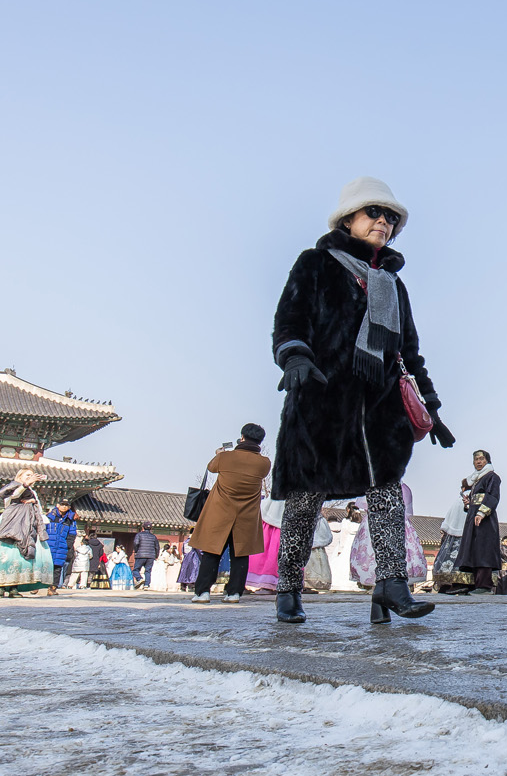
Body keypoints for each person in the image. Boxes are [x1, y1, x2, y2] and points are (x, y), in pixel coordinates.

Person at [269, 176, 453, 625]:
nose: (383, 222)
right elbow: (290, 319)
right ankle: (288, 586)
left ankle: (391, 584)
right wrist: (294, 356)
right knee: (305, 502)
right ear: (347, 218)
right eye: (374, 212)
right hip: (322, 402)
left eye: (391, 217)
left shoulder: (392, 284)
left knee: (387, 493)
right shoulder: (315, 263)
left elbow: (409, 351)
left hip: (379, 409)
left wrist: (432, 407)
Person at [191, 424, 272, 604]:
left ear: (242, 437)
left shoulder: (225, 457)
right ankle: (234, 593)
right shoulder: (264, 463)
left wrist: (219, 453)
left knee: (211, 553)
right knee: (240, 555)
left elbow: (211, 467)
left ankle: (203, 592)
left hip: (220, 513)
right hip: (246, 516)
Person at [0, 470, 56, 597]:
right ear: (20, 476)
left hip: (27, 522)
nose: (30, 477)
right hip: (11, 522)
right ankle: (0, 586)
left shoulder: (32, 492)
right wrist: (24, 485)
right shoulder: (13, 486)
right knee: (4, 554)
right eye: (27, 475)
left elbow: (40, 509)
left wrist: (34, 502)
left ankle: (14, 587)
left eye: (31, 475)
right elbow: (11, 498)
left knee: (20, 557)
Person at [350, 483, 427, 589]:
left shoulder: (375, 486)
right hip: (392, 520)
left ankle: (383, 582)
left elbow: (366, 504)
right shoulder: (402, 488)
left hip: (378, 519)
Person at [456, 451, 504, 594]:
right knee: (473, 549)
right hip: (473, 517)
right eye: (476, 459)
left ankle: (484, 585)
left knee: (483, 549)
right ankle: (474, 583)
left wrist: (482, 512)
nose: (478, 461)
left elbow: (493, 496)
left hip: (485, 519)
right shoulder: (476, 480)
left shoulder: (492, 477)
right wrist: (469, 503)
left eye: (481, 459)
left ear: (487, 461)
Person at [327, 504, 363, 592]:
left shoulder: (346, 521)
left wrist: (340, 549)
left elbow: (343, 535)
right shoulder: (361, 522)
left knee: (343, 562)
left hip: (347, 542)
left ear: (348, 510)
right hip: (358, 543)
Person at [44, 502, 77, 596]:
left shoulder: (70, 520)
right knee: (44, 567)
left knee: (57, 568)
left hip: (61, 547)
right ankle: (37, 586)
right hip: (48, 546)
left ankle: (53, 588)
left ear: (69, 507)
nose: (64, 507)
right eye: (62, 505)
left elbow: (72, 534)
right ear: (57, 505)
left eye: (66, 505)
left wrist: (67, 545)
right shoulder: (49, 517)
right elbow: (42, 529)